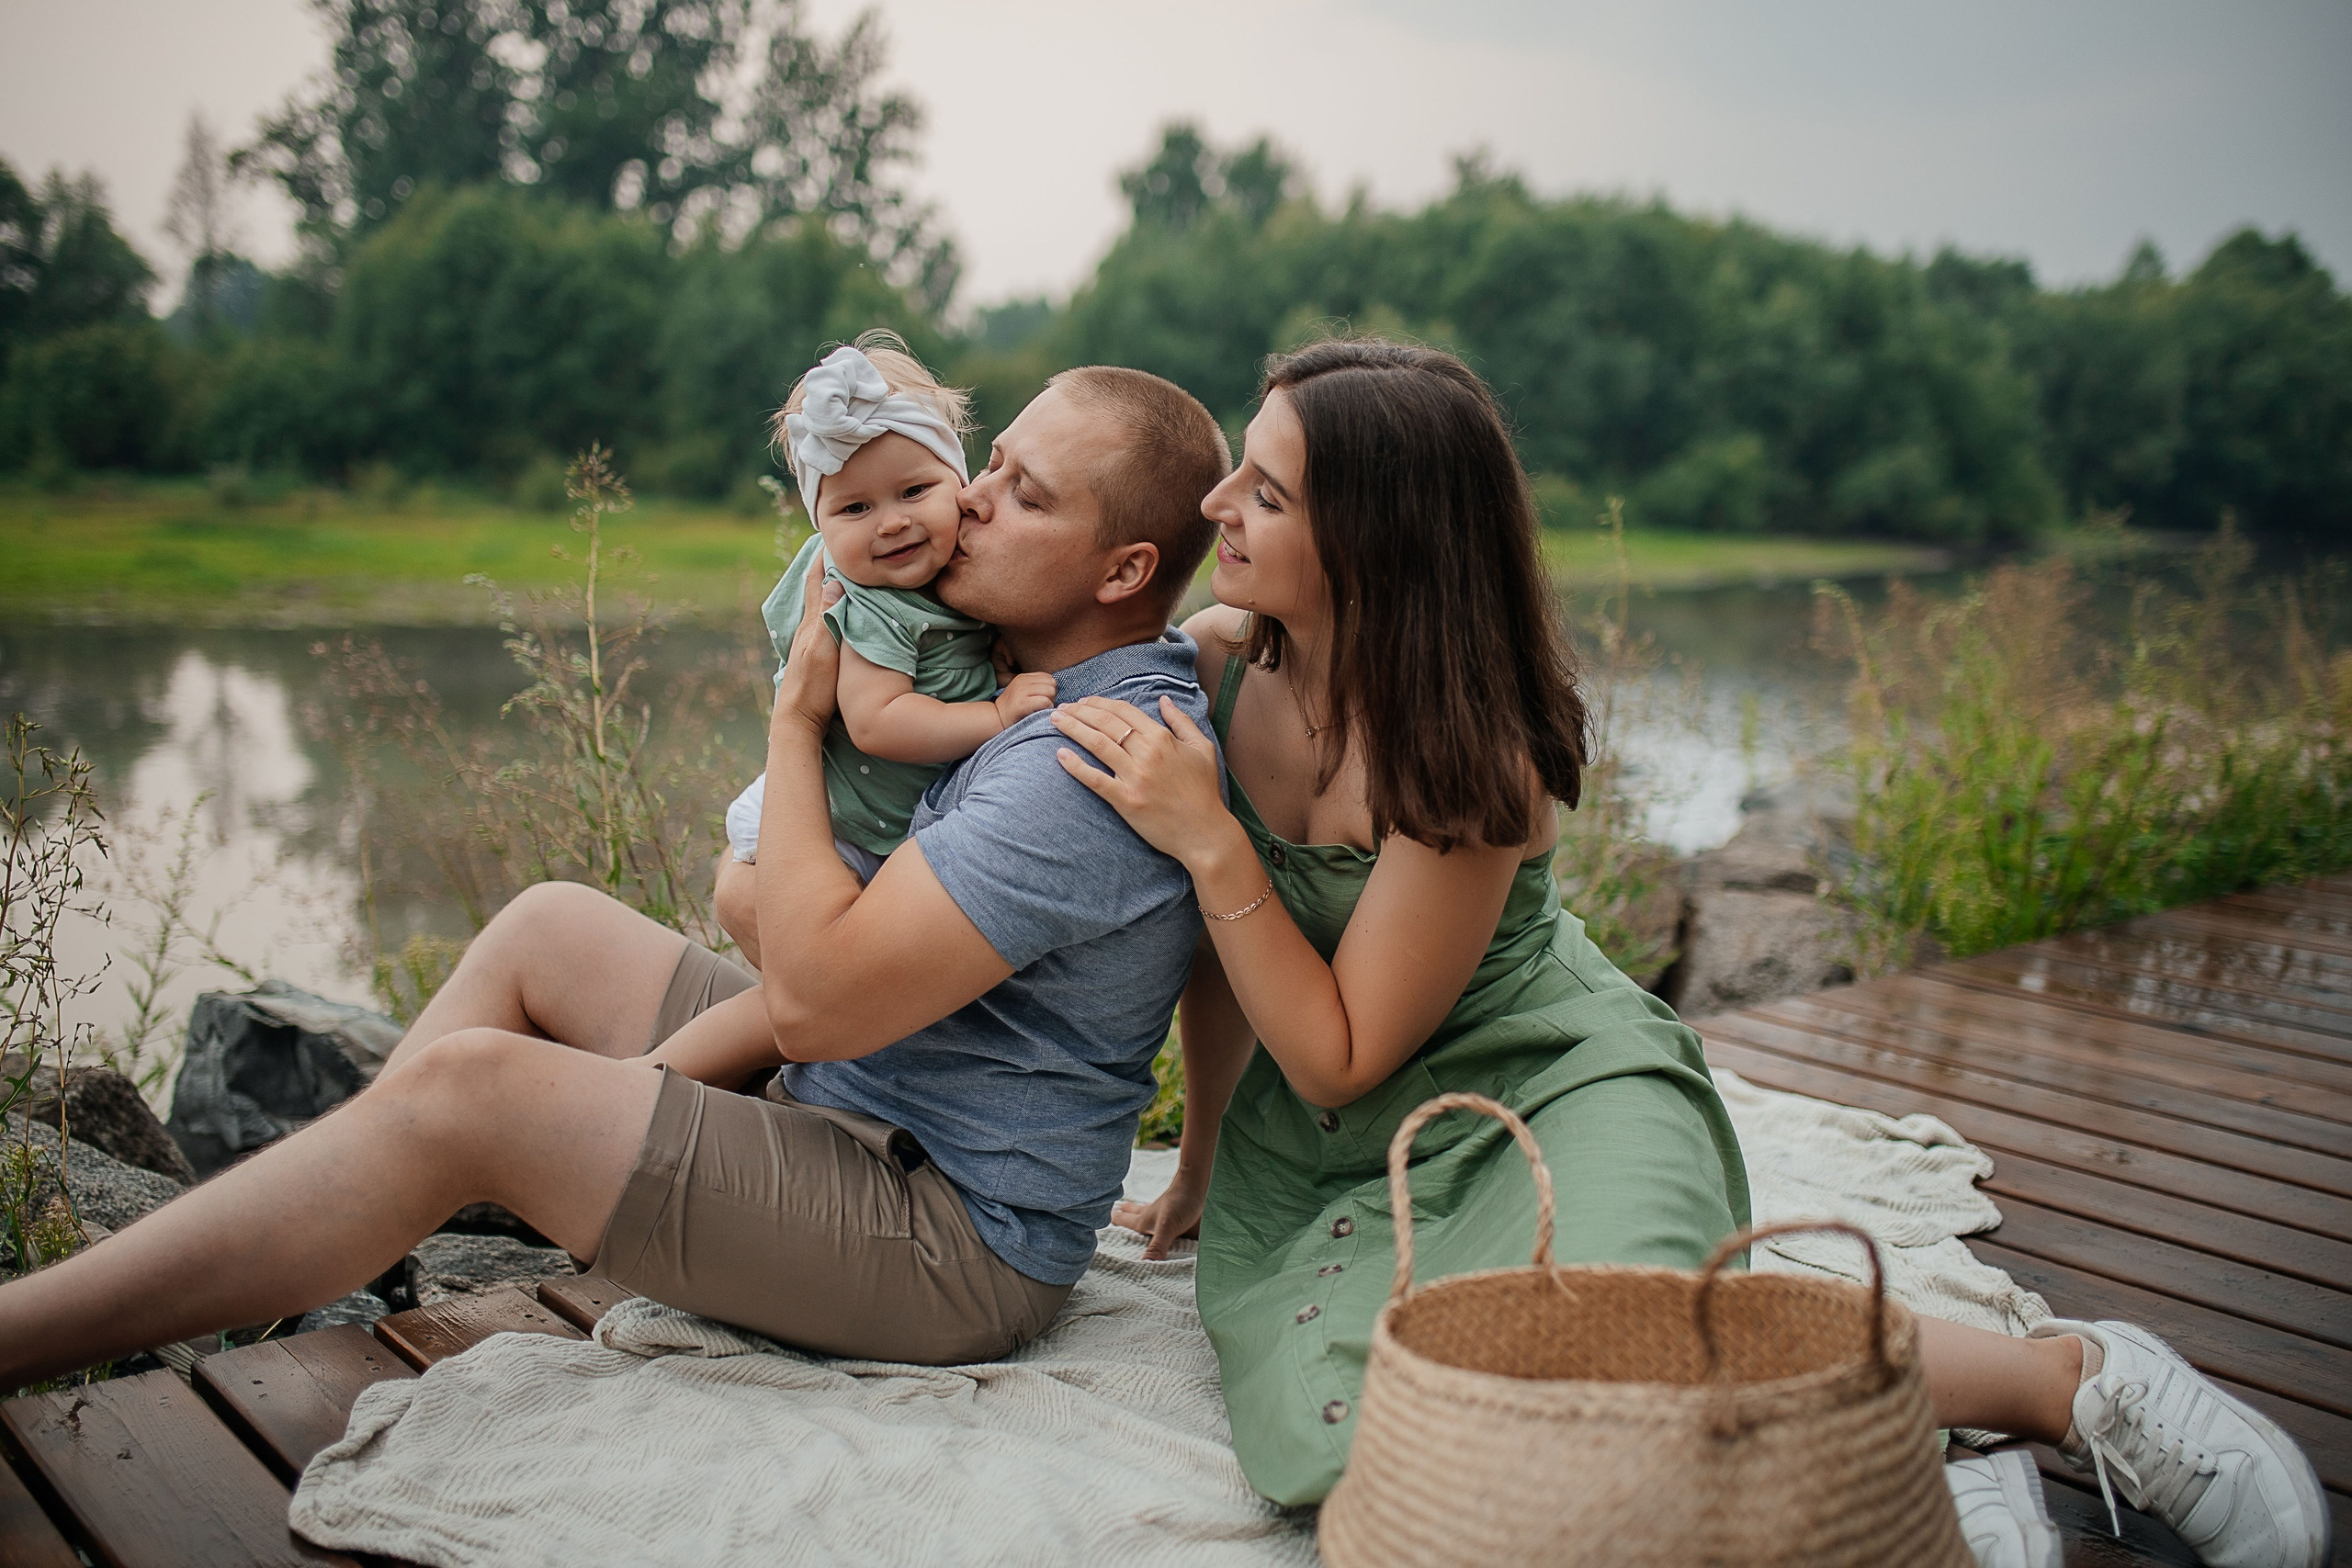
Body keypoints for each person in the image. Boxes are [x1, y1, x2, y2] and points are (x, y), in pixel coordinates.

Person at [1056, 338, 2329, 1568]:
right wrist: (1209, 1161)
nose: (1217, 500)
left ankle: (2060, 1383)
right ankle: (1915, 1441)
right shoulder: (1220, 669)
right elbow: (1221, 965)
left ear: (1377, 541)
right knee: (1427, 1426)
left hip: (1547, 1081)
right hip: (1340, 1142)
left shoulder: (1473, 747)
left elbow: (1334, 1048)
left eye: (1266, 490)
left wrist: (1213, 842)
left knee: (1630, 1328)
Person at [0, 365, 1233, 1388]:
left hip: (947, 1234)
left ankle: (30, 1333)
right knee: (549, 926)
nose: (972, 500)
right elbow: (765, 910)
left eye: (1024, 493)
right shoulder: (1020, 670)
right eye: (992, 460)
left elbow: (803, 995)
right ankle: (335, 1230)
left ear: (1121, 571)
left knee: (472, 1091)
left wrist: (798, 722)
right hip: (859, 1090)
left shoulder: (1081, 762)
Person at [720, 333, 1058, 883]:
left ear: (960, 483)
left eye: (913, 491)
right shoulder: (871, 605)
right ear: (821, 528)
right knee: (826, 951)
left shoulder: (956, 573)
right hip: (847, 827)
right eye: (855, 507)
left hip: (900, 815)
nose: (892, 522)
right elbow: (879, 722)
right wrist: (995, 715)